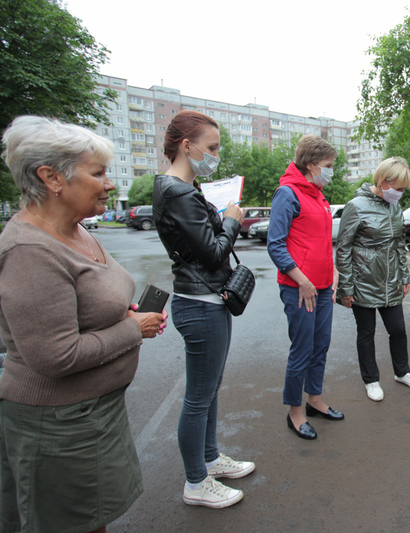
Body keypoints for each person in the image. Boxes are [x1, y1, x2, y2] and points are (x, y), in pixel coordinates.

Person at [0, 116, 167, 533]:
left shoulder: (75, 230)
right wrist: (130, 330)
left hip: (89, 416)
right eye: (98, 172)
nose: (109, 184)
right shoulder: (29, 252)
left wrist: (124, 312)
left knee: (90, 520)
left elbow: (91, 300)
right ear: (51, 177)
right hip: (56, 426)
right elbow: (55, 355)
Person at [153, 111, 255, 509]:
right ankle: (196, 482)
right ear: (186, 145)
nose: (215, 155)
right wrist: (230, 220)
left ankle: (210, 459)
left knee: (208, 391)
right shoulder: (177, 191)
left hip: (207, 299)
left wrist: (217, 218)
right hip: (200, 303)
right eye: (210, 148)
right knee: (198, 397)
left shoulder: (182, 189)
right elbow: (213, 253)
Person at [267, 135, 344, 440]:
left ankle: (314, 400)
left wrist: (333, 270)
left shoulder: (318, 195)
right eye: (327, 165)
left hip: (324, 286)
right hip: (300, 288)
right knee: (301, 349)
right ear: (311, 165)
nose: (330, 171)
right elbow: (275, 245)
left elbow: (322, 242)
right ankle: (295, 412)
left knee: (320, 345)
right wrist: (302, 281)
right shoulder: (288, 193)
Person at [336, 157, 410, 402]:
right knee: (366, 332)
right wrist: (345, 286)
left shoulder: (395, 207)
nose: (400, 194)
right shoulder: (355, 206)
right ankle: (371, 380)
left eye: (403, 189)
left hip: (391, 280)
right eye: (397, 188)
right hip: (362, 281)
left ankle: (402, 372)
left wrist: (404, 275)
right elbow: (343, 248)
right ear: (383, 181)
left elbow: (398, 243)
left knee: (398, 330)